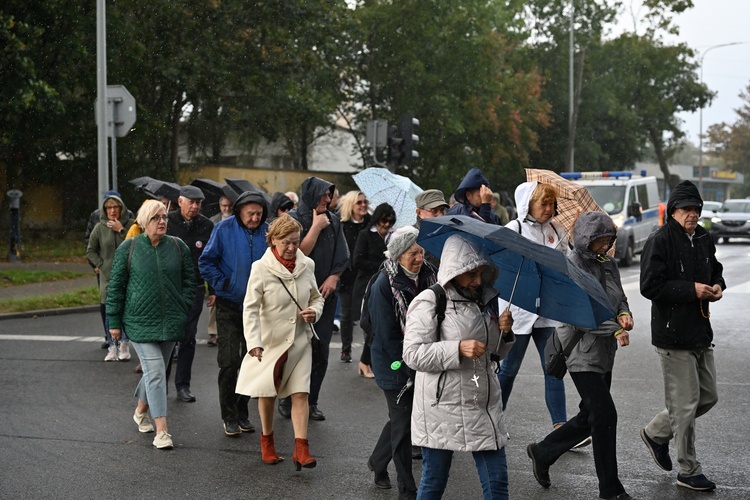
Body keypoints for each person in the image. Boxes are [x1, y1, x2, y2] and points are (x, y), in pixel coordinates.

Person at [526, 211, 634, 500]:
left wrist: (624, 314)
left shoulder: (609, 264)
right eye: (600, 240)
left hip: (604, 353)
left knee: (590, 416)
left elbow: (619, 297)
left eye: (609, 239)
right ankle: (610, 488)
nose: (606, 246)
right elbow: (577, 314)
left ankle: (543, 451)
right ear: (587, 239)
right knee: (605, 414)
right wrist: (614, 330)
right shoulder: (571, 267)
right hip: (579, 353)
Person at [403, 234, 515, 500]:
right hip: (441, 407)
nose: (477, 280)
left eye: (481, 273)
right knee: (434, 482)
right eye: (470, 273)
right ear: (454, 271)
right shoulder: (430, 301)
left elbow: (493, 353)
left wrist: (505, 333)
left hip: (482, 402)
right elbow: (412, 354)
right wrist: (457, 349)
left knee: (497, 482)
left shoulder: (485, 299)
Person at [639, 180, 724, 492]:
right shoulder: (660, 240)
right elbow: (650, 286)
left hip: (700, 331)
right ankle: (688, 469)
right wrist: (691, 290)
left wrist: (717, 286)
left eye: (696, 208)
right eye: (686, 208)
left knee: (709, 396)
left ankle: (655, 433)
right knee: (686, 404)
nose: (692, 214)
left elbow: (716, 269)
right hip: (672, 336)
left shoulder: (703, 237)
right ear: (672, 211)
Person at [235, 214, 325, 469]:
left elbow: (317, 298)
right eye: (286, 242)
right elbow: (250, 308)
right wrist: (253, 341)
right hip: (270, 343)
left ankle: (302, 449)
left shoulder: (307, 264)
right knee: (268, 393)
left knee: (300, 394)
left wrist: (314, 312)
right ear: (273, 240)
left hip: (299, 341)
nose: (292, 248)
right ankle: (267, 442)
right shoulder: (260, 268)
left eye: (296, 242)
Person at [106, 200, 197, 449]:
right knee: (156, 371)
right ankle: (162, 431)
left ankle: (140, 411)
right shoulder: (130, 248)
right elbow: (115, 286)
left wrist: (183, 303)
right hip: (138, 321)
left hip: (170, 322)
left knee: (155, 371)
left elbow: (191, 280)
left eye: (165, 217)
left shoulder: (178, 247)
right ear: (145, 221)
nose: (162, 221)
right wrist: (114, 320)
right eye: (156, 217)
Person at [367, 227, 436, 500]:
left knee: (401, 420)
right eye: (412, 253)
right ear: (397, 256)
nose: (419, 257)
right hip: (392, 362)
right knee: (404, 424)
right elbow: (386, 335)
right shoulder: (384, 285)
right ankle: (408, 490)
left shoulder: (430, 275)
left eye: (420, 251)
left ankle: (376, 460)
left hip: (421, 358)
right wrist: (409, 365)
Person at [497, 181, 569, 432]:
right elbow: (500, 270)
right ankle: (493, 419)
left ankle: (561, 425)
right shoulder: (513, 230)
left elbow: (568, 266)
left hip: (547, 311)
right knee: (509, 369)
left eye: (552, 203)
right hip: (517, 311)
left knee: (554, 366)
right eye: (543, 203)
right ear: (528, 204)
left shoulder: (558, 231)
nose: (549, 209)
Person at [198, 191, 269, 436]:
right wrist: (223, 284)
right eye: (251, 213)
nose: (255, 218)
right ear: (239, 211)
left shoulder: (268, 232)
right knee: (229, 362)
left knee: (253, 362)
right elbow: (206, 262)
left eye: (259, 214)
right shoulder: (223, 229)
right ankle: (228, 416)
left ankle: (242, 413)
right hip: (229, 304)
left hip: (259, 308)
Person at [279, 176, 349, 421]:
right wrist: (316, 227)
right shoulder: (291, 220)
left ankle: (312, 401)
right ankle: (287, 399)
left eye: (330, 196)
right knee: (295, 348)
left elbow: (342, 256)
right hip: (296, 297)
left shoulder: (335, 221)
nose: (328, 200)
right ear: (311, 195)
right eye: (324, 195)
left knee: (320, 349)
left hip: (325, 296)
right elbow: (297, 254)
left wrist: (334, 277)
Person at [165, 185, 214, 402]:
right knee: (165, 336)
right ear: (180, 201)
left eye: (198, 203)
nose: (194, 207)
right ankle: (160, 383)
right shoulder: (166, 221)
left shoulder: (206, 225)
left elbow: (211, 258)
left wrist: (212, 289)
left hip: (193, 286)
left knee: (188, 337)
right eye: (191, 202)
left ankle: (183, 385)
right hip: (167, 288)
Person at [86, 192, 135, 361]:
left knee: (125, 309)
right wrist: (99, 264)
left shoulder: (131, 225)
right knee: (109, 309)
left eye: (115, 207)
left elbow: (135, 243)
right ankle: (112, 346)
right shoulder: (99, 227)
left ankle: (124, 344)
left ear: (121, 208)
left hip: (128, 273)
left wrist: (120, 230)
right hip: (107, 275)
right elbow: (90, 250)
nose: (112, 211)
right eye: (109, 207)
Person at [352, 203, 397, 379]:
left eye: (390, 222)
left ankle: (368, 362)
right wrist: (382, 265)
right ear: (377, 219)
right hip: (367, 286)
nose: (386, 225)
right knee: (373, 326)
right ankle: (365, 362)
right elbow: (357, 261)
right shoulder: (365, 235)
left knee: (381, 325)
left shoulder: (393, 237)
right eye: (383, 221)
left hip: (386, 287)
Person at [338, 190, 372, 363]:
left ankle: (368, 354)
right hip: (347, 276)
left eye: (365, 202)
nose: (363, 205)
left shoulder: (371, 224)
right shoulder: (342, 225)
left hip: (366, 275)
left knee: (369, 315)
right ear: (350, 205)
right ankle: (346, 349)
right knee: (347, 314)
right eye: (359, 202)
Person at [207, 194, 234, 346]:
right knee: (215, 296)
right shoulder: (213, 222)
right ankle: (213, 332)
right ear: (220, 206)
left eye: (229, 205)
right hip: (217, 261)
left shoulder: (237, 221)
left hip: (229, 262)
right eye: (224, 205)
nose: (227, 208)